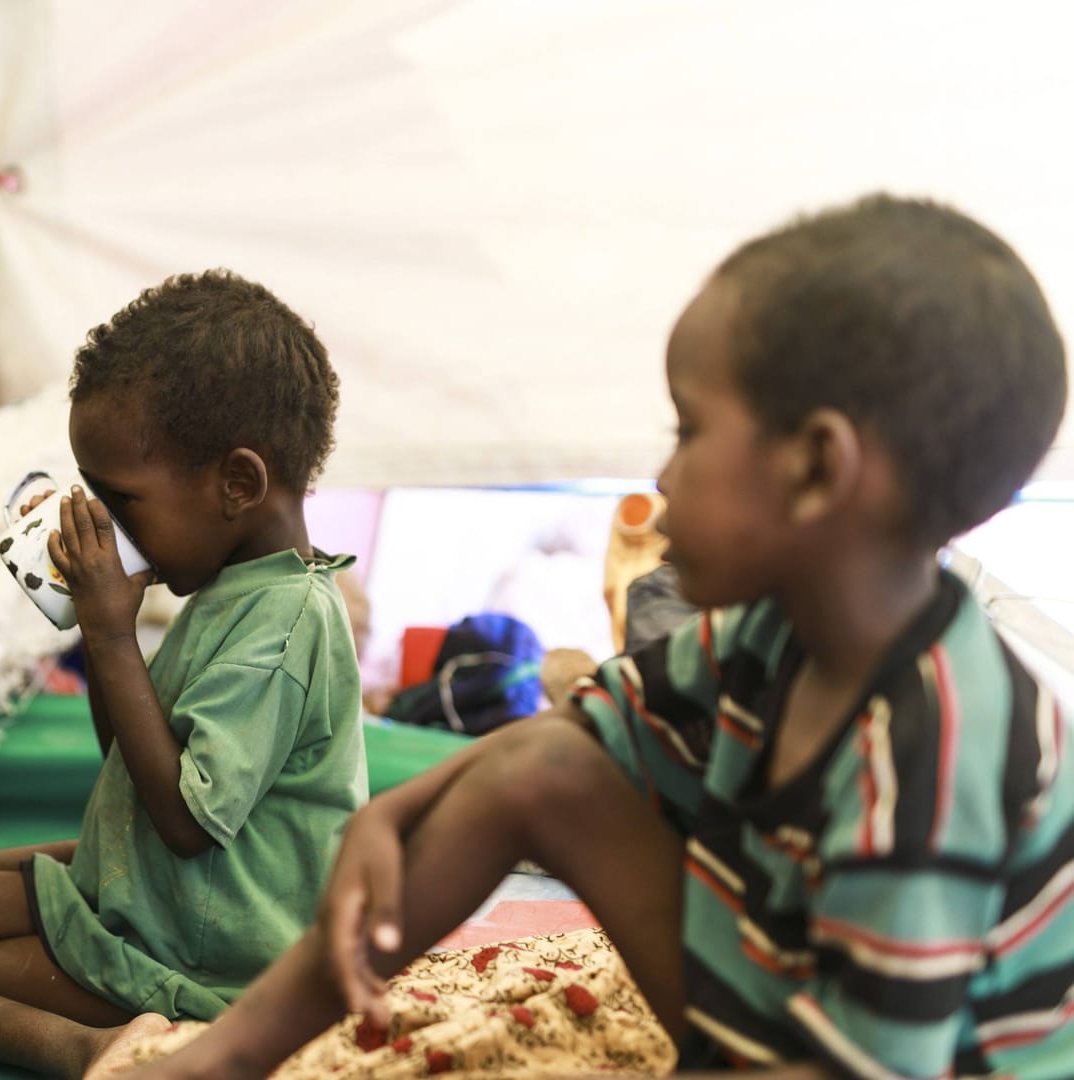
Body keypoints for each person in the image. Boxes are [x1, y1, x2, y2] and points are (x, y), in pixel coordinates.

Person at [100, 195, 1074, 1080]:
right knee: (542, 773)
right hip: (768, 1013)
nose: (663, 474)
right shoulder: (772, 637)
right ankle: (224, 1060)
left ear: (817, 470)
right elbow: (564, 741)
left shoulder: (935, 753)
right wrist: (388, 816)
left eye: (689, 433)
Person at [0, 270, 367, 1076]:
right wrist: (107, 632)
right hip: (161, 881)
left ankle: (104, 1051)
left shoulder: (287, 625)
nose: (102, 521)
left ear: (236, 484)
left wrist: (109, 636)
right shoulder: (225, 585)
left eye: (120, 500)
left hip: (216, 948)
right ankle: (96, 960)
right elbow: (127, 761)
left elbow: (185, 823)